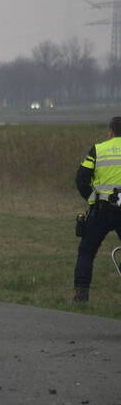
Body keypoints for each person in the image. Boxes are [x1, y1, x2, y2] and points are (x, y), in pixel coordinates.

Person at [73, 116, 121, 302]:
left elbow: (81, 179)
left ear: (110, 131)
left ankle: (81, 294)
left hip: (102, 209)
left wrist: (92, 199)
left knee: (86, 251)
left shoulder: (99, 149)